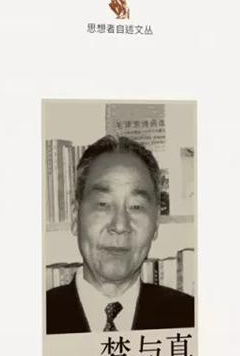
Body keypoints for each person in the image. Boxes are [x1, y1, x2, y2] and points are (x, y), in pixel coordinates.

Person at [46, 134, 194, 334]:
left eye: (136, 206)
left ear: (156, 223)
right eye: (103, 204)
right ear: (75, 217)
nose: (119, 225)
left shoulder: (191, 318)